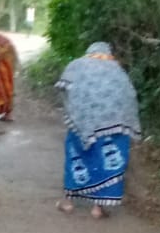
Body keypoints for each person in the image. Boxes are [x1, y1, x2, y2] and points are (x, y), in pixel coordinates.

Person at [55, 41, 141, 219]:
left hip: (83, 122)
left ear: (89, 52)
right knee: (105, 162)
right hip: (113, 125)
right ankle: (97, 208)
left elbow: (63, 88)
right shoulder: (117, 70)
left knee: (76, 159)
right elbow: (130, 97)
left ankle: (68, 203)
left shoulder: (77, 65)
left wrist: (73, 110)